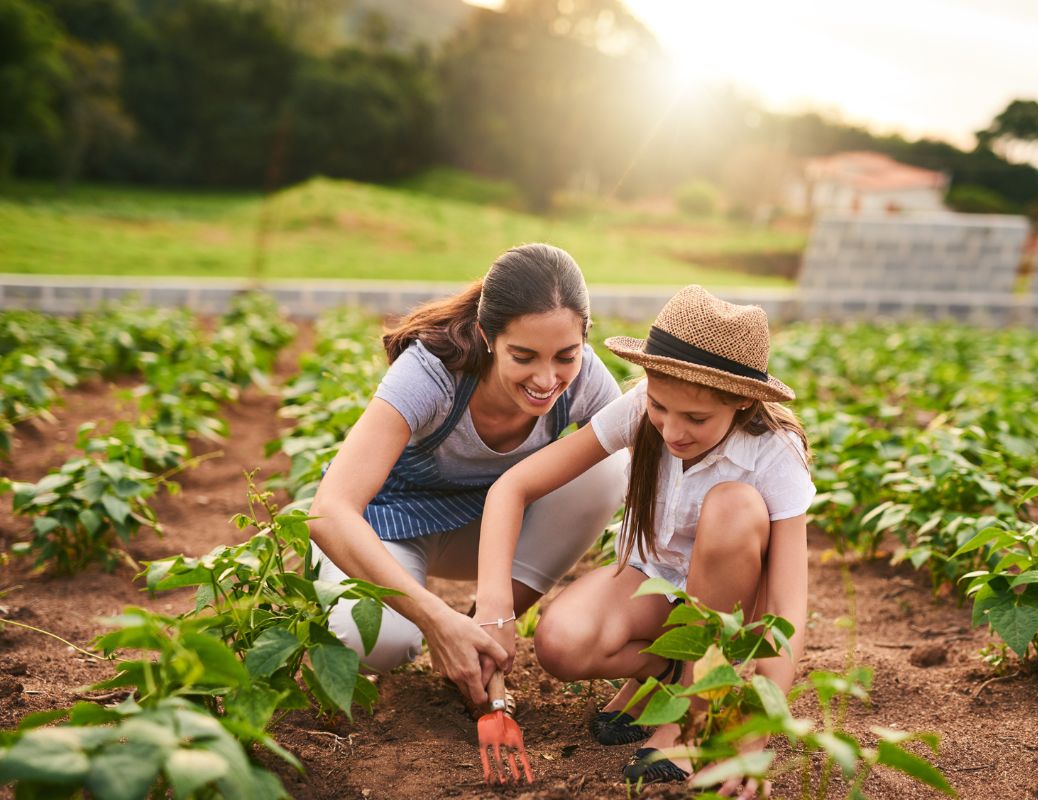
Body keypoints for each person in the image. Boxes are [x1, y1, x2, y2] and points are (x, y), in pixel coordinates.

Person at [475, 284, 814, 796]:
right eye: (660, 407)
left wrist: (753, 740)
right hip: (653, 582)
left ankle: (696, 717)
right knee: (561, 643)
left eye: (696, 419)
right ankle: (673, 671)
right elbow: (514, 486)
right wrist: (495, 610)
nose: (672, 431)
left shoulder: (775, 453)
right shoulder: (641, 408)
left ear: (743, 401)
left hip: (730, 612)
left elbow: (788, 609)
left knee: (731, 504)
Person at [308, 243, 627, 707]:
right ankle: (364, 591)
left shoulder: (585, 379)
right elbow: (330, 509)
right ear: (486, 336)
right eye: (523, 357)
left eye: (565, 355)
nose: (546, 379)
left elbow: (651, 475)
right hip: (394, 528)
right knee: (375, 642)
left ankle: (483, 643)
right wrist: (437, 619)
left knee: (611, 461)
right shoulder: (431, 374)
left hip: (490, 532)